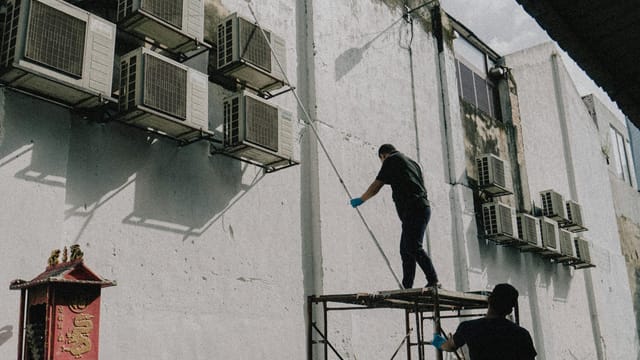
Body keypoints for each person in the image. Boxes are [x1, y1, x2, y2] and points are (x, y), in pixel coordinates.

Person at [350, 144, 438, 289]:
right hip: (420, 208)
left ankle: (434, 280)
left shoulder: (391, 160)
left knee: (413, 246)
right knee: (406, 249)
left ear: (383, 156)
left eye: (381, 160)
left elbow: (377, 184)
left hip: (413, 209)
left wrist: (362, 199)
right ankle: (407, 286)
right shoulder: (413, 163)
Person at [431, 283, 537, 360]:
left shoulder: (469, 328)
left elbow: (449, 346)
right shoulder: (521, 334)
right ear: (510, 309)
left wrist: (436, 340)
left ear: (489, 300)